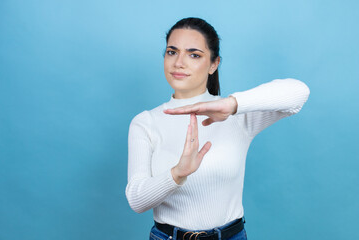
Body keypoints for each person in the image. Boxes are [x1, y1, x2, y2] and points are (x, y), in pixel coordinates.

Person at [126, 17, 310, 240]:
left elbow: (299, 93)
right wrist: (178, 173)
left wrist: (232, 105)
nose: (179, 63)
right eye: (172, 52)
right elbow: (136, 201)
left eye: (194, 54)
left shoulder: (236, 116)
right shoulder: (145, 122)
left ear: (214, 64)